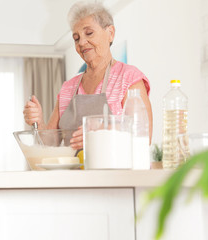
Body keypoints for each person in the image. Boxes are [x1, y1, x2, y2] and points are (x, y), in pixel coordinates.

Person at [23, 1, 153, 150]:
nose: (82, 42)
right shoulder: (68, 88)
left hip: (115, 173)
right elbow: (50, 143)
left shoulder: (129, 78)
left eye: (89, 33)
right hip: (74, 173)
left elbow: (144, 138)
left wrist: (98, 137)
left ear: (110, 33)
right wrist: (39, 122)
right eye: (76, 38)